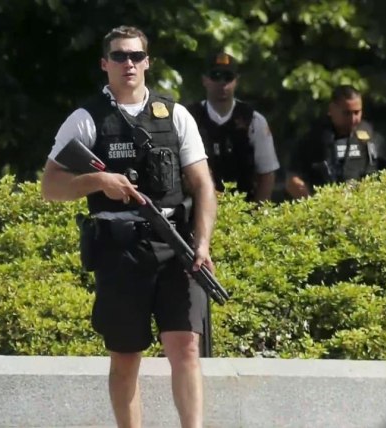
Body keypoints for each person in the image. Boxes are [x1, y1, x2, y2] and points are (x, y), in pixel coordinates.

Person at [40, 25, 215, 428]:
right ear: (105, 64)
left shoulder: (175, 115)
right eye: (119, 56)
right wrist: (99, 182)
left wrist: (202, 244)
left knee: (186, 346)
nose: (129, 63)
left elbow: (203, 185)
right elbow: (50, 187)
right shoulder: (87, 119)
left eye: (136, 56)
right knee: (125, 355)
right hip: (120, 250)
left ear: (148, 62)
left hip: (177, 242)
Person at [186, 52, 279, 202]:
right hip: (198, 209)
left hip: (245, 211)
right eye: (215, 76)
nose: (222, 83)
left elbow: (267, 173)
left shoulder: (253, 120)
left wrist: (258, 213)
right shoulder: (189, 118)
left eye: (228, 77)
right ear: (205, 80)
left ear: (236, 81)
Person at [285, 85, 382, 199]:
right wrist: (313, 204)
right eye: (346, 113)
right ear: (331, 110)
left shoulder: (370, 137)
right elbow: (292, 180)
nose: (352, 119)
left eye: (357, 112)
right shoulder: (313, 139)